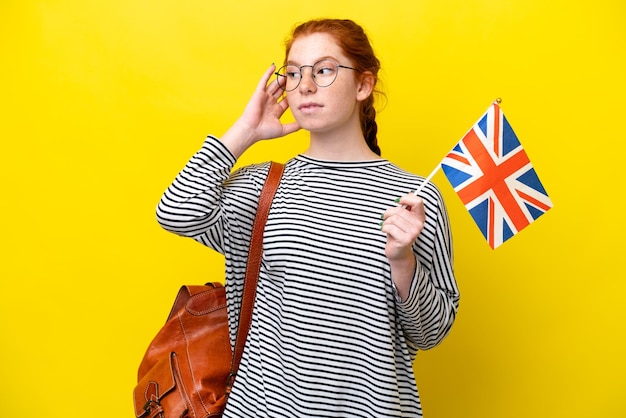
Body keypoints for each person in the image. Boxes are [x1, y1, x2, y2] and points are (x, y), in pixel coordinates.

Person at [156, 18, 460, 418]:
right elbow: (176, 212)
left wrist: (404, 264)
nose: (306, 85)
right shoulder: (263, 187)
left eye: (324, 70)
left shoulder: (414, 200)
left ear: (364, 85)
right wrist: (245, 131)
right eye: (295, 73)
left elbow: (431, 332)